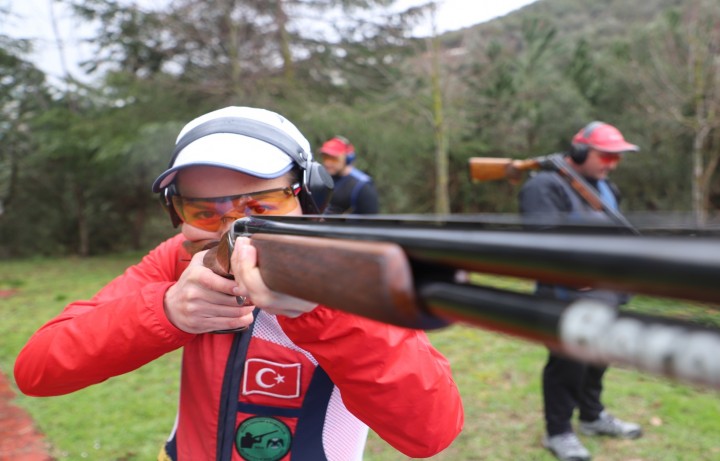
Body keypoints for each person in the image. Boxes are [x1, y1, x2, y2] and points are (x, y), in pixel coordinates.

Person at [14, 106, 464, 461]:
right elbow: (39, 369)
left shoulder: (348, 273)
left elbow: (430, 432)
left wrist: (320, 309)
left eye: (261, 204)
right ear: (178, 214)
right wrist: (167, 310)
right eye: (204, 211)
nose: (232, 226)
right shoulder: (179, 260)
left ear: (308, 196)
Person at [518, 121, 643, 461]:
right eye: (606, 156)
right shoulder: (544, 185)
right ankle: (557, 432)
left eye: (617, 158)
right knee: (567, 364)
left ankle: (592, 417)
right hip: (564, 293)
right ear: (580, 151)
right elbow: (542, 240)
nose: (612, 165)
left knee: (599, 358)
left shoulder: (607, 189)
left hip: (607, 290)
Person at [318, 136, 379, 214]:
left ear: (348, 159)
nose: (327, 163)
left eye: (334, 159)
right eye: (325, 157)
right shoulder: (322, 179)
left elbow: (371, 223)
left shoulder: (363, 187)